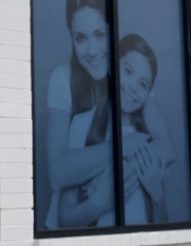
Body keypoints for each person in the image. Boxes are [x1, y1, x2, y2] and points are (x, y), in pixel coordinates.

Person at [44, 0, 149, 228]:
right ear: (70, 36)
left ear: (112, 30)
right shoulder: (63, 79)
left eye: (99, 35)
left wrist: (97, 173)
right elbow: (57, 173)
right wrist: (121, 148)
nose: (92, 51)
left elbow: (163, 148)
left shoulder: (130, 79)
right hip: (64, 231)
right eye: (80, 38)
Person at [72, 35, 173, 227]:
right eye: (128, 71)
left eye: (143, 84)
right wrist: (97, 202)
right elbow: (66, 219)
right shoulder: (81, 125)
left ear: (148, 94)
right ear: (112, 67)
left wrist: (157, 194)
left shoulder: (148, 138)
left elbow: (163, 221)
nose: (134, 87)